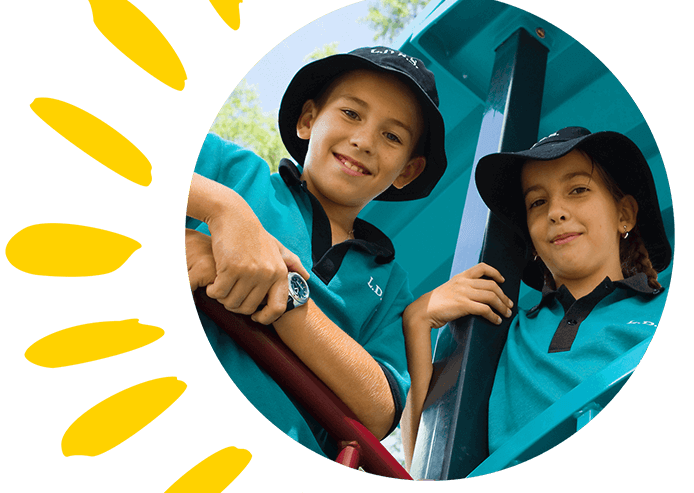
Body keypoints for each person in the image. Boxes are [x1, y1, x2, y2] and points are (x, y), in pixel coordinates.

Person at [186, 47, 447, 460]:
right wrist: (222, 208)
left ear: (407, 171)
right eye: (351, 113)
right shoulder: (236, 174)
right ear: (308, 120)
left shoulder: (392, 283)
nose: (363, 141)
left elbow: (380, 411)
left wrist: (287, 295)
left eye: (392, 136)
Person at [402, 126, 671, 469]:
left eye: (577, 189)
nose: (555, 212)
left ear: (624, 215)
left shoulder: (657, 311)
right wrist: (417, 320)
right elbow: (427, 463)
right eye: (538, 202)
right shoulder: (494, 335)